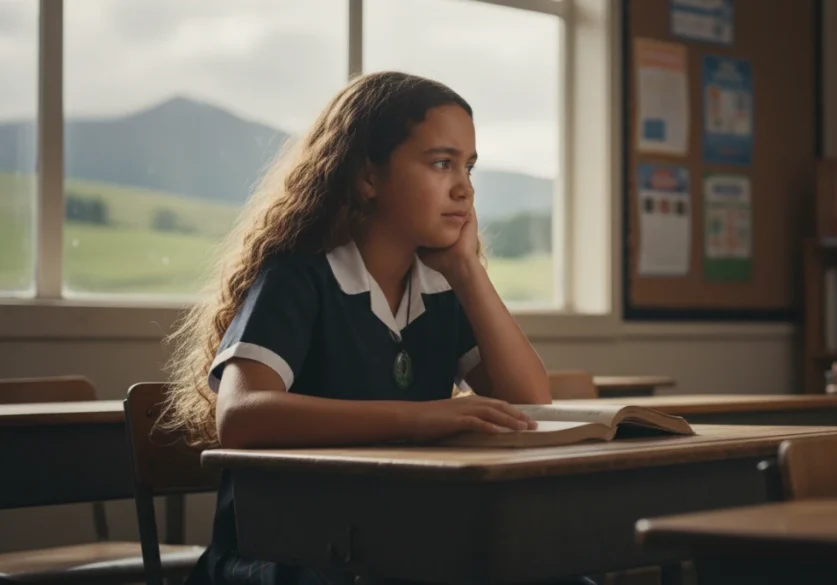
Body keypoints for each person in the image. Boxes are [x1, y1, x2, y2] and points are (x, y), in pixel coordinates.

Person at [162, 71, 593, 585]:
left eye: (469, 168)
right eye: (441, 164)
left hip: (395, 546)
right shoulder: (298, 279)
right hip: (285, 556)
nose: (464, 189)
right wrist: (420, 418)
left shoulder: (441, 290)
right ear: (368, 177)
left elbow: (530, 403)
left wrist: (467, 272)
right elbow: (241, 416)